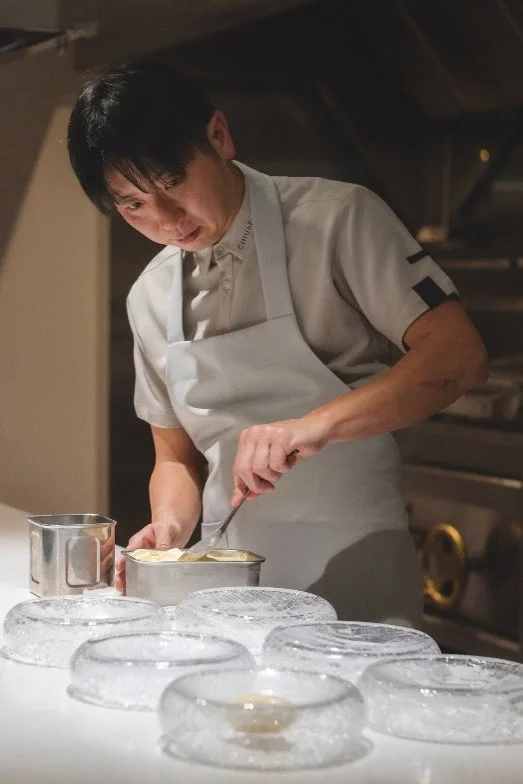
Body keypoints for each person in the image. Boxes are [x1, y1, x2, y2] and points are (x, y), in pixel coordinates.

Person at [67, 60, 487, 625]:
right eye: (133, 205)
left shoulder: (338, 218)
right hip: (224, 586)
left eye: (170, 184)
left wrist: (311, 426)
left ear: (218, 136)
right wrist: (169, 526)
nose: (165, 220)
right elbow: (176, 457)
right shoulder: (149, 294)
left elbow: (458, 356)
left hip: (356, 573)